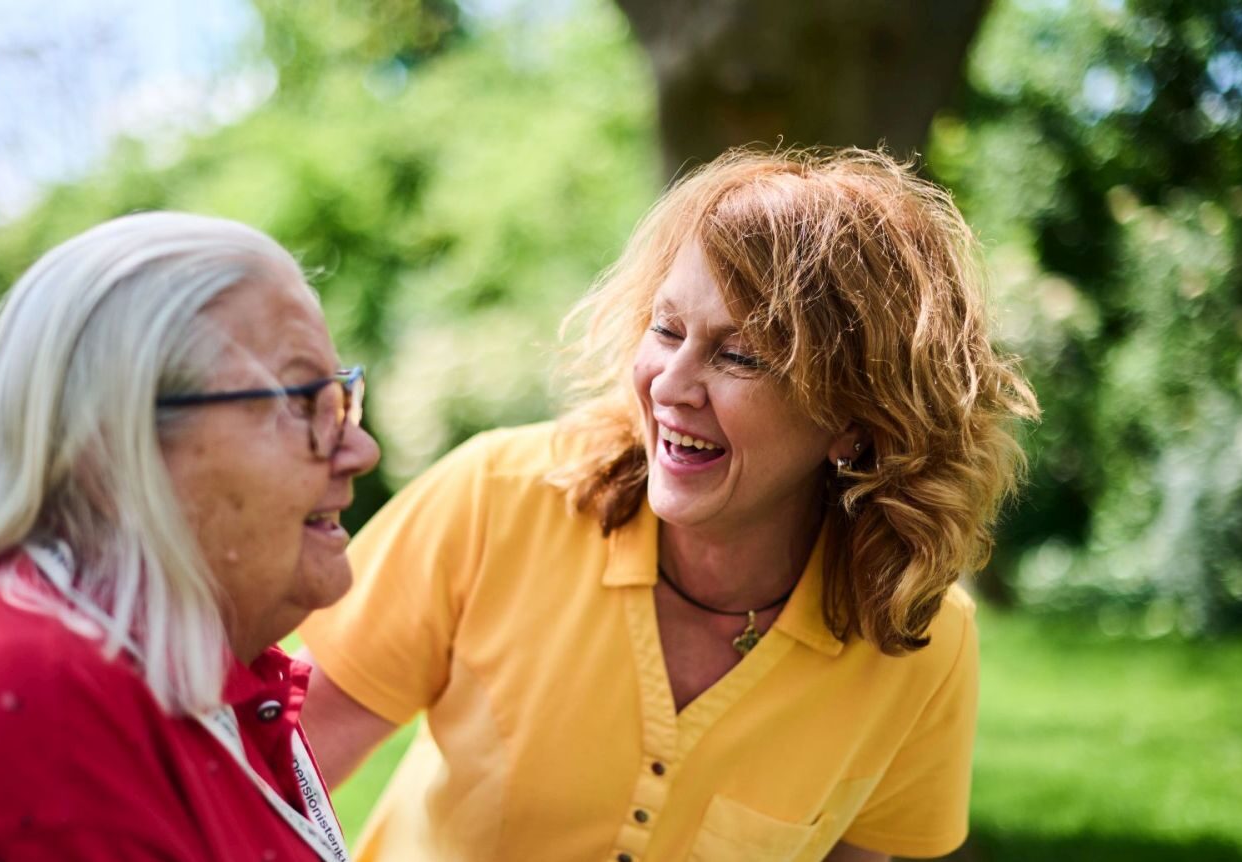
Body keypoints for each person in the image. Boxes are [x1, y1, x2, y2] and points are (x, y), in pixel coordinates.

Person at [298, 148, 1039, 861]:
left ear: (854, 418)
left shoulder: (920, 639)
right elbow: (276, 782)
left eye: (739, 354)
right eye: (667, 329)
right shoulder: (496, 497)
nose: (669, 385)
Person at [0, 212, 379, 861]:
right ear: (115, 441)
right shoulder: (27, 728)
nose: (359, 449)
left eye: (341, 398)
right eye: (302, 402)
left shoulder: (170, 659)